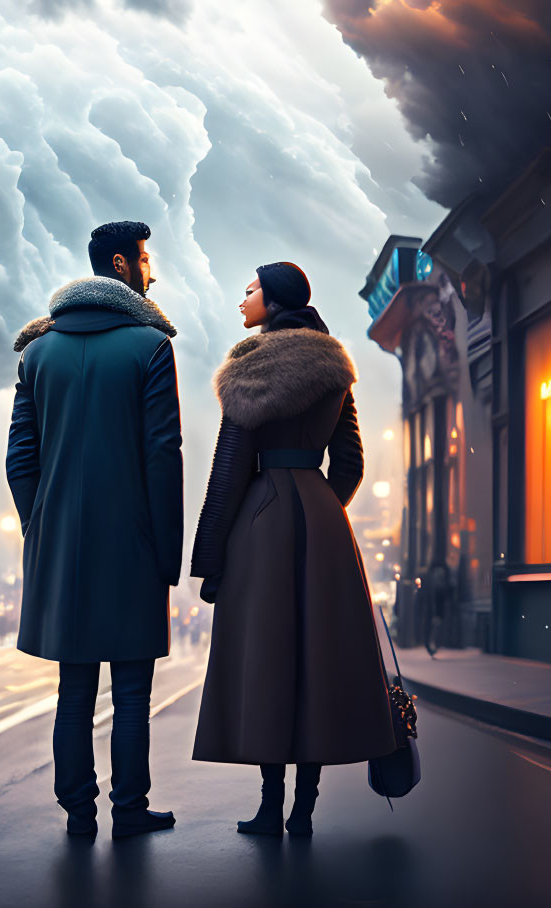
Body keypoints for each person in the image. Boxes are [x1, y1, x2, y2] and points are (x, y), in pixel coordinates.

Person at [190, 262, 396, 837]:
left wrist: (210, 561)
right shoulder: (334, 367)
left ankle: (269, 806)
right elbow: (350, 461)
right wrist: (324, 508)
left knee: (270, 661)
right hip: (324, 522)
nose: (243, 300)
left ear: (274, 301)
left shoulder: (249, 369)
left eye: (250, 289)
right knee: (316, 664)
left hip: (263, 525)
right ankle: (305, 808)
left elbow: (229, 471)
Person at [7, 220, 183, 839]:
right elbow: (164, 454)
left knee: (73, 689)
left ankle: (78, 812)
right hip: (132, 543)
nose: (151, 270)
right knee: (133, 690)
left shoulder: (37, 352)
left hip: (62, 547)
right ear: (120, 264)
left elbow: (19, 458)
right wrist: (169, 551)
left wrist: (43, 527)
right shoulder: (150, 347)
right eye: (144, 259)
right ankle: (129, 811)